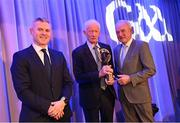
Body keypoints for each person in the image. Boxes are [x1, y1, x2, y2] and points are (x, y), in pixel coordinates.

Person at [10, 18, 73, 122]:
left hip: (62, 116)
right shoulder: (20, 57)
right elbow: (23, 91)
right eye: (40, 29)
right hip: (36, 118)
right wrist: (50, 108)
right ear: (31, 31)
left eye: (47, 30)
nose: (44, 33)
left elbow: (68, 83)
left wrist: (62, 102)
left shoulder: (59, 56)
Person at [72, 19, 116, 122]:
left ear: (99, 33)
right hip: (89, 97)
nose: (93, 34)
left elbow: (112, 68)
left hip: (107, 95)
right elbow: (79, 77)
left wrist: (112, 78)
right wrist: (99, 74)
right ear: (84, 32)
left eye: (96, 31)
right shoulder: (78, 52)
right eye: (90, 31)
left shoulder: (106, 48)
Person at [113, 20, 156, 122]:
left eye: (123, 31)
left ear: (131, 30)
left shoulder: (142, 46)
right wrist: (111, 76)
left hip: (140, 96)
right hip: (124, 97)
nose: (120, 34)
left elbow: (151, 70)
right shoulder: (116, 50)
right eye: (117, 32)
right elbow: (118, 72)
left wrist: (130, 79)